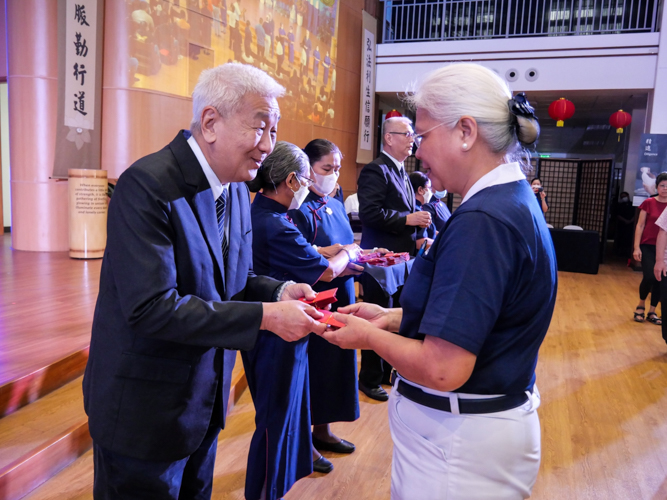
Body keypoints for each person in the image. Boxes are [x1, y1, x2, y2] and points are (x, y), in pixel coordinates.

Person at [83, 63, 327, 499]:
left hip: (202, 406)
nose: (268, 147)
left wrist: (278, 291)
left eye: (274, 131)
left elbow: (234, 276)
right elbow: (152, 307)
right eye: (260, 128)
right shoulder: (148, 185)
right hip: (145, 414)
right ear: (211, 122)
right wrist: (266, 317)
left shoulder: (234, 187)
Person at [323, 64, 555, 499]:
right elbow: (479, 315)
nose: (417, 151)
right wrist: (392, 318)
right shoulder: (507, 200)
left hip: (460, 446)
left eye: (424, 135)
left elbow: (444, 369)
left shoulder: (483, 221)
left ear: (466, 131)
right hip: (467, 439)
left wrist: (367, 338)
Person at [245, 142, 362, 498]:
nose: (312, 187)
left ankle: (276, 487)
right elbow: (325, 270)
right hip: (275, 329)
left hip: (282, 322)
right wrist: (351, 251)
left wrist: (331, 252)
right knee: (276, 420)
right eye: (310, 179)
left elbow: (309, 252)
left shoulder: (267, 214)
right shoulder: (274, 222)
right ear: (292, 180)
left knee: (288, 414)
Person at [290, 139, 363, 474]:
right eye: (325, 169)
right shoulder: (299, 208)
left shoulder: (333, 200)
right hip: (315, 297)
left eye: (336, 169)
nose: (333, 175)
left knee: (336, 366)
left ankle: (323, 431)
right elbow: (304, 258)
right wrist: (338, 255)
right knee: (314, 370)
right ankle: (304, 439)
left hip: (342, 292)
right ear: (307, 169)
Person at [356, 116, 431, 402]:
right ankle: (370, 378)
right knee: (378, 317)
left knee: (397, 316)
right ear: (389, 138)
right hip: (381, 262)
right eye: (408, 134)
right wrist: (407, 218)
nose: (413, 139)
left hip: (402, 261)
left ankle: (390, 371)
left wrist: (418, 223)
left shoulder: (401, 170)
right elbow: (370, 214)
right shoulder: (377, 170)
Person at [633, 173, 667, 324]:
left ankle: (652, 311)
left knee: (661, 278)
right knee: (649, 276)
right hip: (647, 245)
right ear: (657, 187)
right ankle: (641, 305)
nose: (665, 189)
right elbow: (640, 225)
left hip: (665, 249)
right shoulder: (649, 202)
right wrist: (636, 247)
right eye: (662, 186)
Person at [409, 170, 437, 246]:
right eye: (429, 188)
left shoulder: (415, 207)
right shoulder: (417, 211)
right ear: (420, 190)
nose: (431, 191)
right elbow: (420, 242)